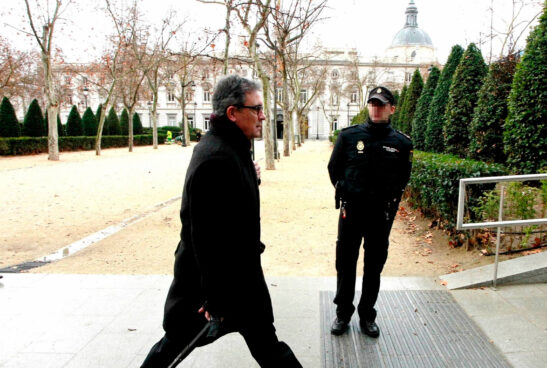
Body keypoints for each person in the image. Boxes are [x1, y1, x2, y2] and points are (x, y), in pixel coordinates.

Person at [141, 75, 302, 368]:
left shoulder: (231, 147)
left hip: (241, 278)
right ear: (232, 113)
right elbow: (205, 236)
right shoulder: (216, 157)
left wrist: (250, 178)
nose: (263, 116)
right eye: (256, 108)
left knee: (268, 346)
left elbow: (228, 206)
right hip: (212, 287)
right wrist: (215, 301)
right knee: (174, 345)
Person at [327, 86, 413, 338]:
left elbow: (402, 179)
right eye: (373, 104)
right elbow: (334, 169)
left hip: (380, 216)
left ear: (392, 109)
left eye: (382, 104)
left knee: (373, 266)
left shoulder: (401, 143)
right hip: (352, 212)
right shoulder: (349, 137)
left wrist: (390, 207)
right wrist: (345, 190)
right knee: (345, 263)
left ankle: (367, 315)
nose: (376, 108)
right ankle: (343, 314)